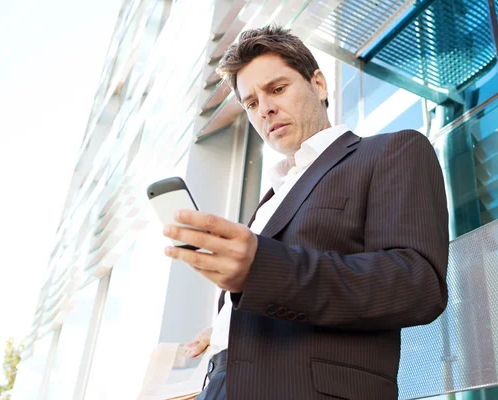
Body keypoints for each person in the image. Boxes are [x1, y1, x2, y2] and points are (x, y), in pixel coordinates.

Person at [162, 25, 449, 400]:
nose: (264, 109)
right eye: (250, 103)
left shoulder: (391, 152)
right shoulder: (268, 200)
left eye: (277, 89)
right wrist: (223, 335)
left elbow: (418, 285)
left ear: (319, 84)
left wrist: (261, 268)